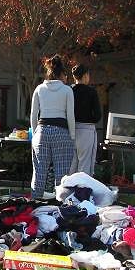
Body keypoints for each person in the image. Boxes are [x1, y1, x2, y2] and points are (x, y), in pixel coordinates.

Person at [30, 54, 76, 199]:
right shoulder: (67, 90)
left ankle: (34, 202)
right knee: (62, 174)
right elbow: (70, 115)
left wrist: (35, 133)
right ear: (62, 74)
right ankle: (62, 204)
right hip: (61, 132)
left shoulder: (39, 89)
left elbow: (33, 114)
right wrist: (72, 136)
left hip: (42, 131)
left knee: (39, 172)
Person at [69, 64, 102, 176]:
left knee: (71, 165)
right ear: (85, 75)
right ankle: (82, 187)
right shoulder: (91, 92)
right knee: (85, 165)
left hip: (70, 129)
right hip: (86, 130)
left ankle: (69, 187)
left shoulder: (69, 90)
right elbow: (97, 116)